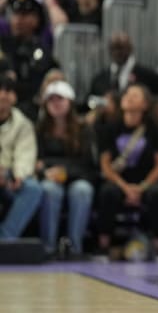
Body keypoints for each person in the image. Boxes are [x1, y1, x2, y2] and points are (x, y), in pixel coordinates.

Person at [96, 84, 158, 260]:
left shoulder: (154, 128)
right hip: (119, 181)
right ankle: (103, 246)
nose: (129, 97)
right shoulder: (111, 127)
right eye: (127, 94)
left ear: (145, 105)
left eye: (135, 95)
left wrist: (142, 187)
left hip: (145, 181)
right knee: (108, 192)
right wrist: (125, 187)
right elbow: (105, 165)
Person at [36, 81, 95, 256]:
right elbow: (36, 160)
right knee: (49, 190)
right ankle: (48, 247)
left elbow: (89, 163)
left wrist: (64, 171)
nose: (55, 103)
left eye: (60, 99)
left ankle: (75, 247)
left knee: (82, 190)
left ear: (70, 101)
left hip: (78, 177)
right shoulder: (39, 129)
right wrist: (45, 171)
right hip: (50, 178)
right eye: (51, 100)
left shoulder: (84, 129)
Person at [0, 75, 43, 239]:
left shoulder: (23, 124)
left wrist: (19, 174)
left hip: (9, 176)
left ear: (14, 97)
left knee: (33, 189)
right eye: (0, 90)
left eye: (8, 91)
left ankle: (4, 240)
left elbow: (25, 153)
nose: (3, 95)